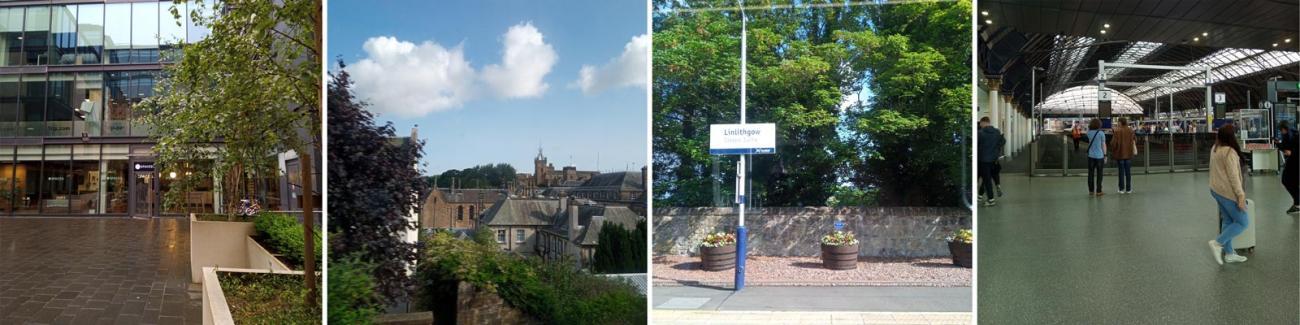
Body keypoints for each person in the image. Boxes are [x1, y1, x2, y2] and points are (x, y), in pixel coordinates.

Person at [1208, 124, 1249, 265]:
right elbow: (1234, 177)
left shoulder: (1215, 148)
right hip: (1227, 192)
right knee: (1243, 222)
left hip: (1215, 190)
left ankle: (1230, 253)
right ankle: (1217, 243)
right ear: (1231, 137)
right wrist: (1240, 195)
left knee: (1228, 221)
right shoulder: (1229, 152)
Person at [978, 117, 1005, 206]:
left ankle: (991, 200)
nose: (980, 125)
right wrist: (996, 149)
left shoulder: (980, 133)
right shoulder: (997, 132)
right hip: (994, 159)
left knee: (986, 180)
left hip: (983, 160)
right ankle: (981, 195)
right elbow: (1003, 141)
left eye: (980, 124)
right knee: (990, 176)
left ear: (983, 123)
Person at [1081, 118, 1107, 196]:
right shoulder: (1101, 133)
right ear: (1099, 125)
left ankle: (1091, 191)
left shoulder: (1089, 133)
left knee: (1090, 174)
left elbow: (1088, 142)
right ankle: (1099, 191)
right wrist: (1105, 155)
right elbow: (1103, 145)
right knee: (1099, 174)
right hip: (1100, 156)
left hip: (1091, 156)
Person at [1112, 118, 1137, 193]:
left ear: (1120, 122)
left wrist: (1113, 148)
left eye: (1118, 122)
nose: (1117, 123)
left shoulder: (1117, 131)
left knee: (1121, 173)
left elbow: (1113, 143)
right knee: (1128, 172)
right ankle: (1129, 189)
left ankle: (1121, 189)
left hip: (1120, 154)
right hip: (1128, 154)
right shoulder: (1131, 130)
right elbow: (1135, 140)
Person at [1279, 123, 1299, 214]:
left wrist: (1292, 153)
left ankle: (1298, 203)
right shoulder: (1288, 136)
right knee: (1289, 182)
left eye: (1281, 130)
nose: (1281, 132)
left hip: (1295, 163)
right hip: (1291, 163)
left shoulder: (1296, 136)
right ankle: (1297, 203)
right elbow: (1285, 148)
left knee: (1287, 181)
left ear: (1285, 128)